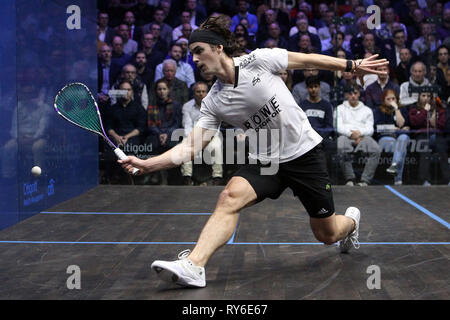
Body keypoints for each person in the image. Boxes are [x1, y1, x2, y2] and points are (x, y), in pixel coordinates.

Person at [119, 14, 388, 288]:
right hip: (266, 163)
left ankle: (351, 223)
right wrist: (148, 164)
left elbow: (307, 60)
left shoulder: (258, 60)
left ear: (218, 48)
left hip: (305, 155)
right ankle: (194, 265)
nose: (195, 59)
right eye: (192, 54)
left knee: (326, 234)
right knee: (229, 197)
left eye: (199, 51)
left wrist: (351, 65)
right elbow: (190, 146)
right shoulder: (213, 101)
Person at [335, 84, 381, 186]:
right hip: (345, 136)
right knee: (340, 146)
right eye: (350, 93)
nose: (353, 96)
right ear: (346, 95)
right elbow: (338, 126)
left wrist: (360, 133)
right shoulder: (339, 108)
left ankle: (365, 180)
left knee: (376, 149)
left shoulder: (367, 110)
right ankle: (350, 178)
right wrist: (351, 134)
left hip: (364, 136)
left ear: (359, 94)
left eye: (355, 93)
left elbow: (370, 129)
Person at [181, 81, 223, 185]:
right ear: (193, 93)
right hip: (192, 136)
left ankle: (217, 177)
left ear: (207, 93)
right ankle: (187, 177)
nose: (201, 93)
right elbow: (187, 126)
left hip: (210, 136)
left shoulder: (214, 106)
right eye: (198, 91)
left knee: (216, 146)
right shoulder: (187, 106)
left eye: (203, 91)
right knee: (184, 146)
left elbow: (215, 127)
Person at [409, 91, 449, 185]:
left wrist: (434, 112)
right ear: (419, 97)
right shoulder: (414, 109)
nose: (426, 98)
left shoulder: (439, 110)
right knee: (424, 148)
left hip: (436, 135)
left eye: (428, 96)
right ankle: (424, 179)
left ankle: (448, 179)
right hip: (421, 135)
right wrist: (425, 111)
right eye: (423, 96)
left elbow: (441, 124)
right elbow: (415, 122)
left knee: (442, 147)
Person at [373, 89, 410, 185]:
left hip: (401, 138)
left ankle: (394, 165)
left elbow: (402, 124)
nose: (391, 101)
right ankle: (398, 180)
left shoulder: (402, 109)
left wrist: (396, 109)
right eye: (388, 99)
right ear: (383, 100)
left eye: (393, 98)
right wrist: (393, 129)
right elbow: (378, 127)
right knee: (402, 148)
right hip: (385, 138)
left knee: (403, 139)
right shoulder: (378, 110)